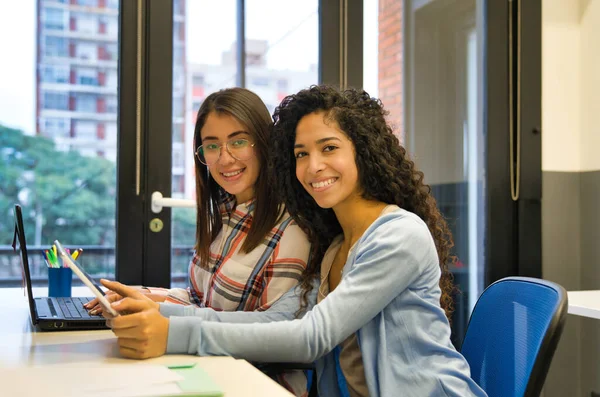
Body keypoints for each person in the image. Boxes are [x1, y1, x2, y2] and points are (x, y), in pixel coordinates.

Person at [100, 85, 488, 397]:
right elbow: (277, 320)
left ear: (365, 152)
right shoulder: (336, 246)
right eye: (302, 153)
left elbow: (311, 338)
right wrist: (156, 314)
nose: (313, 166)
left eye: (329, 148)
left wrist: (172, 335)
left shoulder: (398, 235)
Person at [87, 87, 312, 396]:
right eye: (211, 146)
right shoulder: (225, 213)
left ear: (265, 143)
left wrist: (166, 324)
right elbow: (197, 300)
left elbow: (270, 331)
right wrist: (141, 297)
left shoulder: (291, 228)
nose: (225, 158)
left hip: (256, 381)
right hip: (206, 367)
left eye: (239, 141)